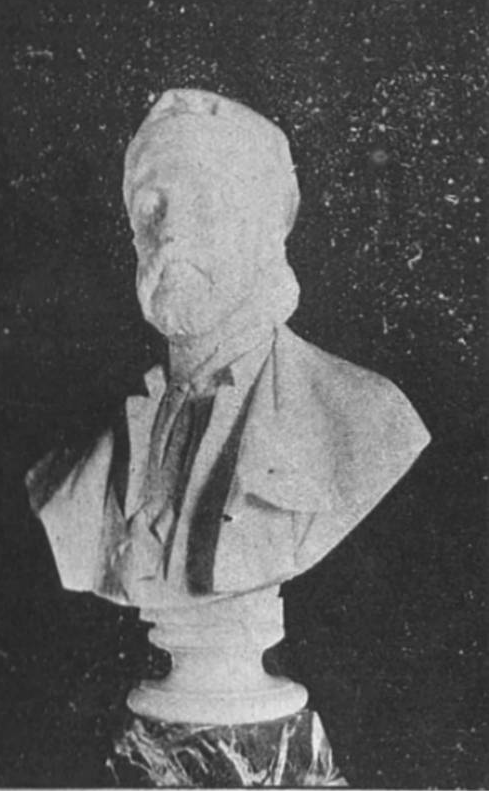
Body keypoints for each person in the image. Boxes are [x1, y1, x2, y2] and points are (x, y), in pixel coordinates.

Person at [26, 88, 431, 614]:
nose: (169, 231)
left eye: (205, 199)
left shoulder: (367, 420)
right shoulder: (75, 472)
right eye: (151, 206)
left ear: (270, 230)